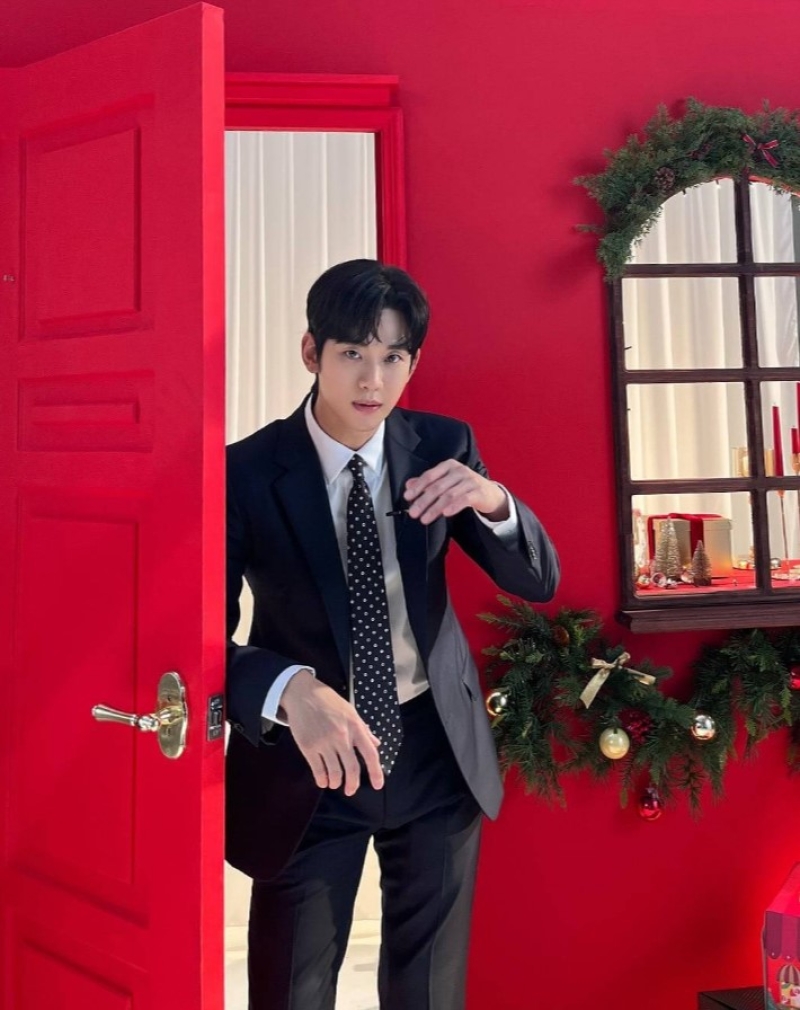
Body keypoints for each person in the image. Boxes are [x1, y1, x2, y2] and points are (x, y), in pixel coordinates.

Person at [225, 259, 559, 1010]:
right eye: (352, 353)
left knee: (429, 994)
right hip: (310, 762)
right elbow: (198, 638)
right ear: (311, 352)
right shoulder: (245, 473)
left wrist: (492, 500)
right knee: (290, 992)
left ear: (413, 362)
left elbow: (537, 581)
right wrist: (289, 689)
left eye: (393, 357)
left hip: (435, 752)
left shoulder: (443, 446)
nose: (372, 380)